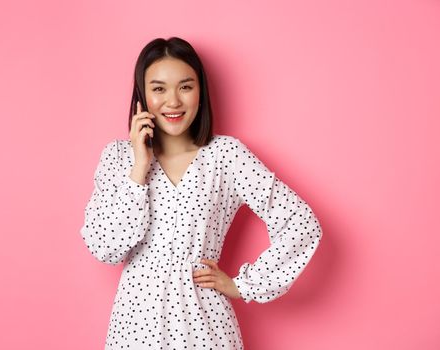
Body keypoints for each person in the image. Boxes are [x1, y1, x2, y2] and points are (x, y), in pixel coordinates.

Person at [80, 36, 323, 349]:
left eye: (185, 86)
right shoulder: (118, 158)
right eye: (158, 88)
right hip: (134, 326)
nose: (173, 101)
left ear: (200, 91)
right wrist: (139, 169)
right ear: (142, 95)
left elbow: (300, 222)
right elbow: (104, 247)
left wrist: (244, 285)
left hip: (205, 325)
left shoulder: (226, 156)